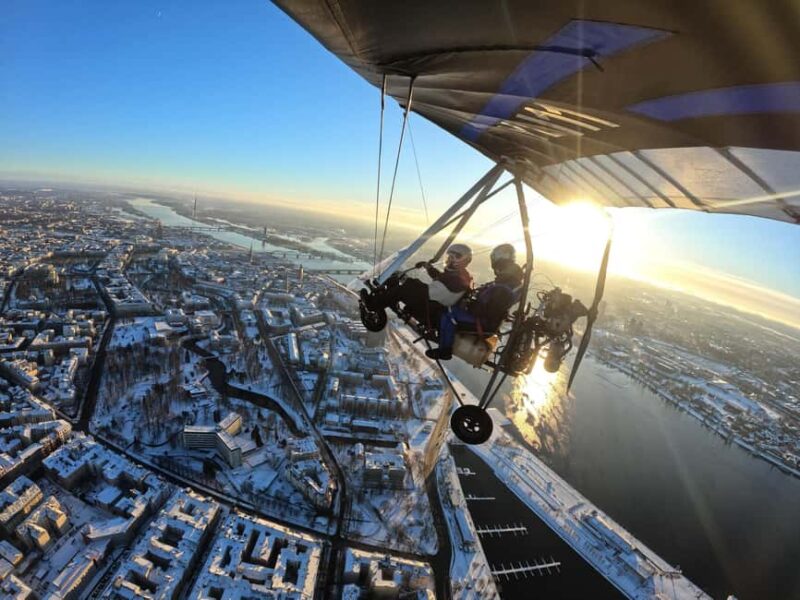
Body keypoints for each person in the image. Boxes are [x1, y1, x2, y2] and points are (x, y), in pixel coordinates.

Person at [426, 243, 523, 360]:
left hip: (484, 323)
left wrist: (470, 306)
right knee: (454, 310)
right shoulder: (510, 281)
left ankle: (444, 350)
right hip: (487, 320)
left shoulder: (504, 286)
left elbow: (490, 309)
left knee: (450, 313)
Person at [361, 243, 473, 327]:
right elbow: (440, 279)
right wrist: (427, 267)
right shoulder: (458, 275)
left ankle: (372, 305)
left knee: (403, 289)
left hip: (430, 310)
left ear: (463, 261)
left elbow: (431, 292)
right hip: (432, 304)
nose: (449, 260)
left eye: (453, 258)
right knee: (402, 282)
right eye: (449, 257)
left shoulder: (458, 280)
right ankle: (383, 298)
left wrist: (410, 282)